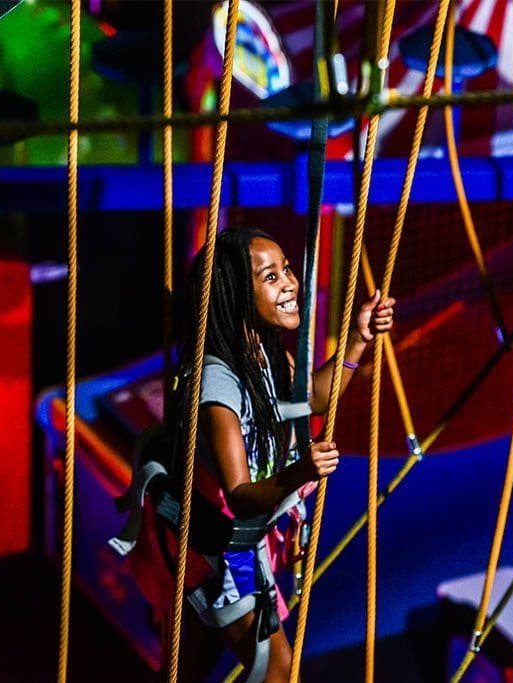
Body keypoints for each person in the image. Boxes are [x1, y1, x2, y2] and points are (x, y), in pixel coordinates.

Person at [113, 226, 395, 682]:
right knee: (277, 671)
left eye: (285, 270)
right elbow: (241, 493)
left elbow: (313, 399)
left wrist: (358, 340)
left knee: (190, 665)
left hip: (224, 536)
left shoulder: (261, 350)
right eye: (271, 277)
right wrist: (300, 470)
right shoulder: (218, 386)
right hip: (215, 544)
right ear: (237, 296)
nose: (289, 283)